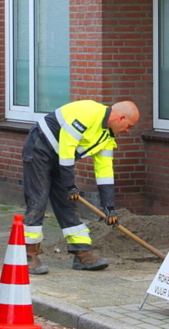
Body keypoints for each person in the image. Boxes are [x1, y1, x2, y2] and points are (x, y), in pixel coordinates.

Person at [22, 99, 140, 274]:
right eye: (129, 126)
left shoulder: (107, 137)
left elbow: (104, 171)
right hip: (40, 147)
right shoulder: (88, 112)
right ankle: (29, 255)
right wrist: (69, 184)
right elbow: (67, 147)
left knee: (68, 204)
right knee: (38, 201)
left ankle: (82, 254)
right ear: (120, 118)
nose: (128, 131)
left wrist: (109, 207)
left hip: (61, 159)